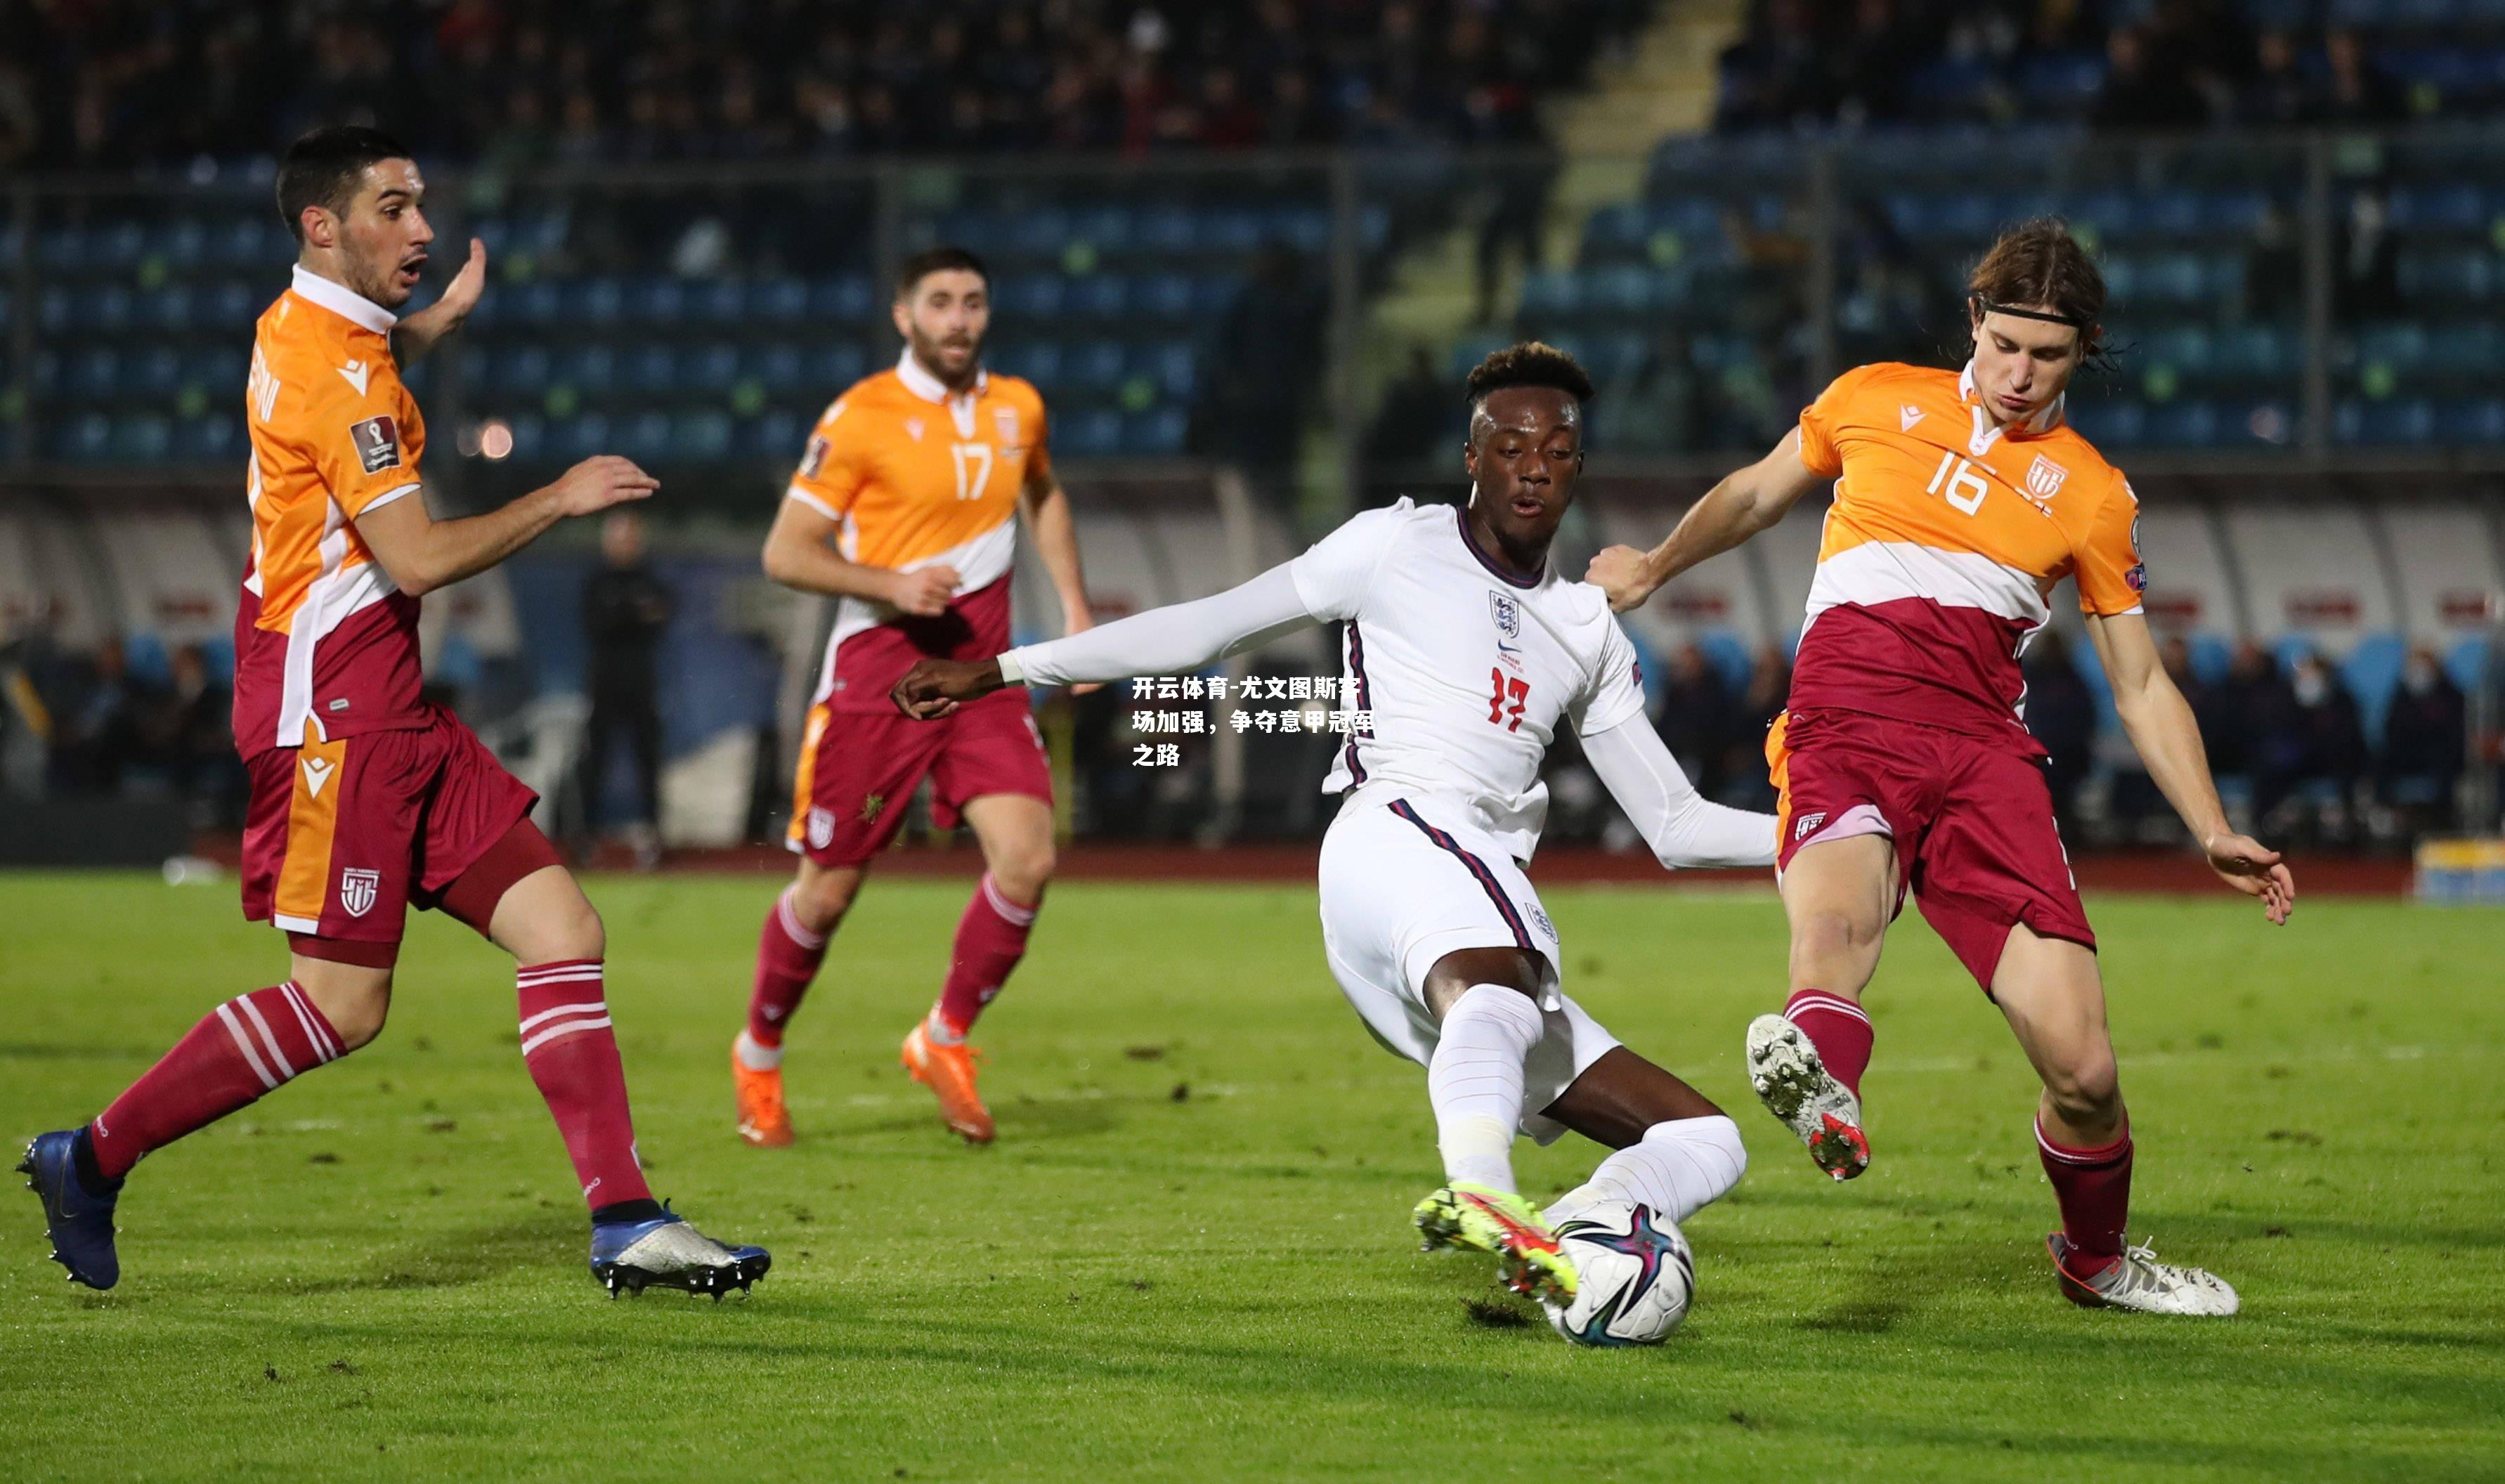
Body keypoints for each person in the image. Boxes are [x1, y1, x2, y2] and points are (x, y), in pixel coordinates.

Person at [16, 126, 765, 1298]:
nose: (422, 229)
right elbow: (412, 557)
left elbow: (349, 372)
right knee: (343, 1006)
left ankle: (624, 1218)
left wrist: (425, 326)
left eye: (420, 205)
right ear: (323, 225)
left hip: (393, 707)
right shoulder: (341, 369)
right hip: (338, 718)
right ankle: (92, 1157)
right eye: (394, 208)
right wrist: (560, 494)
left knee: (564, 929)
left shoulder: (304, 324)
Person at [894, 344, 1774, 1324]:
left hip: (1453, 909)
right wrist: (1008, 666)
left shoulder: (1586, 629)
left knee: (1705, 1140)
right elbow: (1204, 630)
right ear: (1472, 457)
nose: (1535, 464)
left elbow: (1677, 824)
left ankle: (1584, 1231)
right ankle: (1483, 1188)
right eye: (1512, 444)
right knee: (1502, 981)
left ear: (1578, 467)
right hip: (1394, 836)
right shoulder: (1394, 544)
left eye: (1559, 449)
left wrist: (1834, 843)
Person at [1588, 221, 2294, 1316]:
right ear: (1974, 321)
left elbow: (2142, 685)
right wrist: (1654, 565)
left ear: (2083, 351)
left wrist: (2211, 825)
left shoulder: (2093, 494)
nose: (2019, 375)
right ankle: (1825, 1086)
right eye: (2004, 343)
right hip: (1845, 719)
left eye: (2047, 356)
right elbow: (1756, 492)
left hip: (1982, 760)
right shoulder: (1872, 398)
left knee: (2086, 1074)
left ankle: (2095, 1261)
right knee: (1834, 933)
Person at [732, 246, 1095, 1148]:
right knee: (826, 893)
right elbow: (785, 553)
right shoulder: (860, 418)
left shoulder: (1019, 408)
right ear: (905, 316)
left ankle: (944, 1038)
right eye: (940, 303)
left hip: (981, 676)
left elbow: (1043, 494)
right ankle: (760, 1053)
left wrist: (1079, 614)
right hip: (877, 681)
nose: (959, 319)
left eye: (973, 301)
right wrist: (891, 584)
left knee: (1028, 858)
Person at [576, 509, 676, 868]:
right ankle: (586, 836)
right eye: (619, 539)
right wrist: (633, 614)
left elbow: (660, 617)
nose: (624, 546)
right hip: (604, 683)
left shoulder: (649, 580)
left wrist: (623, 614)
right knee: (595, 760)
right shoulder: (597, 581)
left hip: (640, 683)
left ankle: (652, 836)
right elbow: (598, 622)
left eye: (630, 538)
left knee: (647, 759)